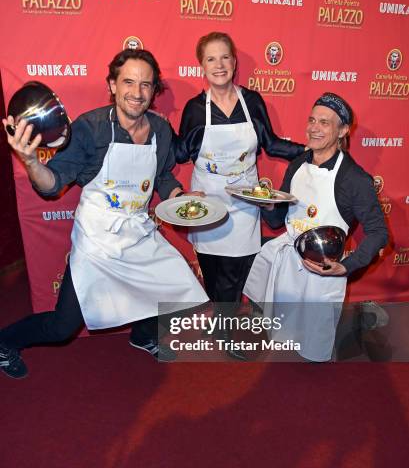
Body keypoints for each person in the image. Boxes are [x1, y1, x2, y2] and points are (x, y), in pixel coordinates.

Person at [0, 48, 209, 379]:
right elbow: (52, 184)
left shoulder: (160, 129)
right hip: (97, 240)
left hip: (137, 232)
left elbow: (163, 176)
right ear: (112, 84)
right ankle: (4, 342)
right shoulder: (89, 129)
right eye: (128, 82)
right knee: (62, 326)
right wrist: (29, 162)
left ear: (154, 90)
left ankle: (142, 335)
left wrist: (180, 198)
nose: (137, 93)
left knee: (177, 283)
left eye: (145, 84)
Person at [174, 32, 305, 358]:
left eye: (225, 57)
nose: (219, 65)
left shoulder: (253, 101)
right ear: (201, 66)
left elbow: (271, 144)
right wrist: (150, 134)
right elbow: (179, 152)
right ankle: (221, 317)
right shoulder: (194, 108)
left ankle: (225, 328)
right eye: (211, 59)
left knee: (237, 268)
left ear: (234, 62)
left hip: (246, 197)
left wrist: (312, 151)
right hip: (207, 198)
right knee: (212, 267)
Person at [243, 92, 388, 362]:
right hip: (288, 262)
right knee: (282, 339)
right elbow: (278, 220)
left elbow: (379, 232)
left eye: (324, 123)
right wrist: (266, 203)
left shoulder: (355, 179)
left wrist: (347, 265)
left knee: (313, 350)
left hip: (322, 271)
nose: (313, 128)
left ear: (343, 130)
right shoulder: (298, 163)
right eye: (311, 120)